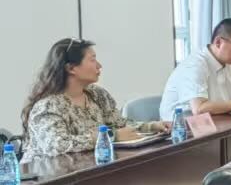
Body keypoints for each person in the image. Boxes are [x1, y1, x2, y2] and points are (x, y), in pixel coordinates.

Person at [20, 38, 155, 158]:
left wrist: (152, 127)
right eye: (92, 60)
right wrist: (112, 136)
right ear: (71, 68)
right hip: (50, 176)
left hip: (90, 167)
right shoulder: (48, 106)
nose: (99, 66)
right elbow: (57, 145)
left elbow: (119, 125)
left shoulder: (97, 94)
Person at [158, 18, 231, 121]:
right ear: (218, 42)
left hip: (215, 123)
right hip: (180, 130)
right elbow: (200, 109)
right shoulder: (195, 65)